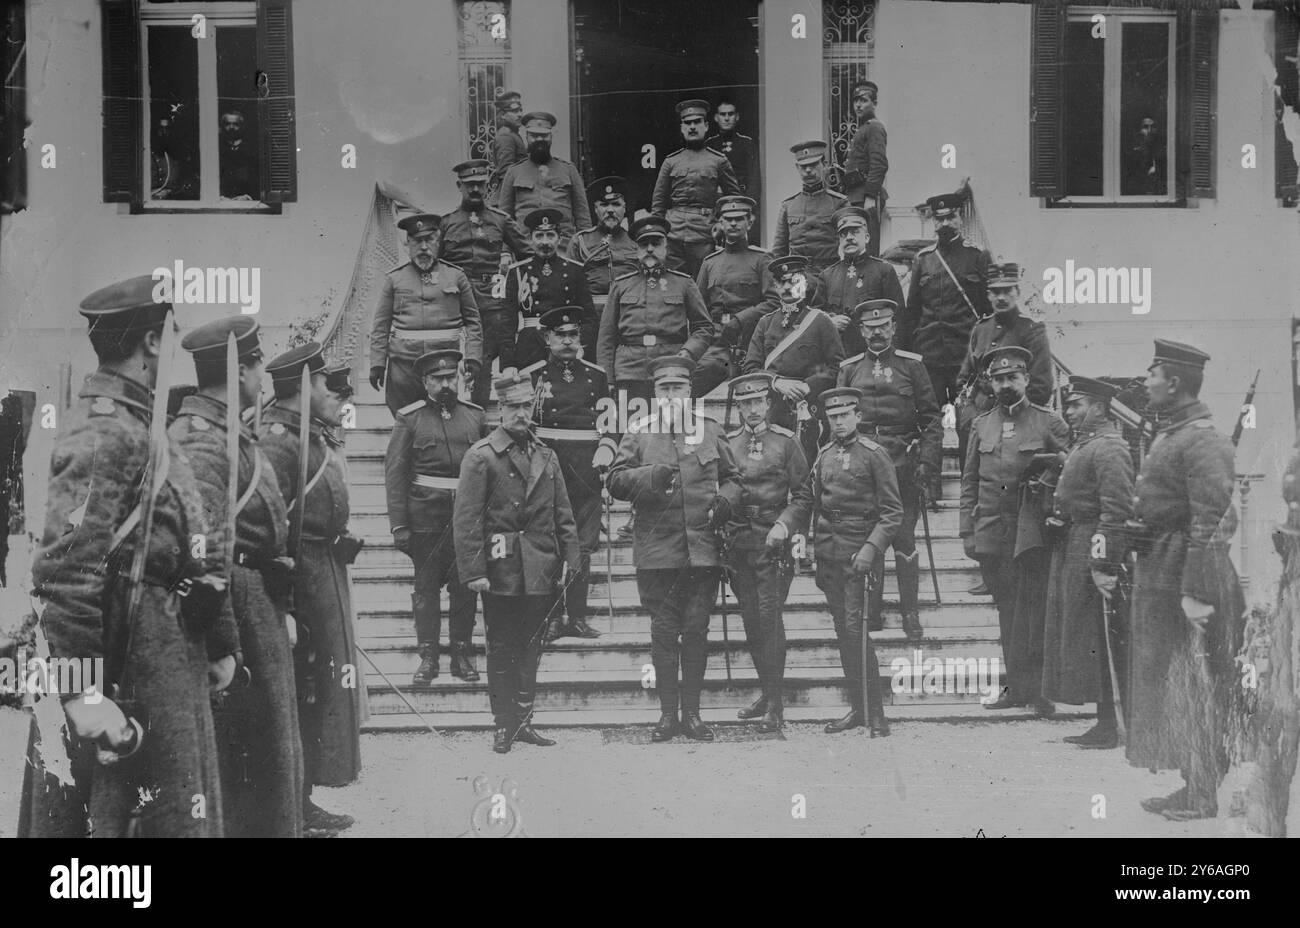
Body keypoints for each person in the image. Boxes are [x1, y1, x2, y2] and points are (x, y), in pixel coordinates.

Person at [20, 275, 233, 838]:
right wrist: (84, 697)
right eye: (173, 330)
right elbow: (64, 577)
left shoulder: (138, 425)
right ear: (154, 343)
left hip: (157, 660)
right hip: (125, 669)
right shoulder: (106, 430)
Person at [175, 317, 303, 839]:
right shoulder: (203, 440)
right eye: (255, 364)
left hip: (258, 596)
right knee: (250, 753)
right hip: (237, 606)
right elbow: (203, 554)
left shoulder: (230, 429)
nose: (261, 377)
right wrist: (225, 643)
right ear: (242, 369)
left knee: (272, 747)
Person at [1127, 340, 1244, 821]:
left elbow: (1213, 522)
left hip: (1188, 576)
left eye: (1152, 371)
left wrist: (1196, 593)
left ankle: (1202, 794)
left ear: (1174, 382)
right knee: (1174, 682)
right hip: (1163, 567)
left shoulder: (1202, 439)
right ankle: (1190, 784)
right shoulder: (1173, 432)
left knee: (1195, 684)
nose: (1146, 379)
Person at [607, 356, 742, 742]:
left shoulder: (711, 430)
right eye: (664, 389)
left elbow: (734, 478)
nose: (671, 395)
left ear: (689, 391)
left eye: (678, 388)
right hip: (657, 552)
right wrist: (648, 476)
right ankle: (668, 716)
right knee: (663, 632)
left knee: (697, 630)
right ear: (654, 393)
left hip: (702, 550)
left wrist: (727, 500)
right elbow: (615, 480)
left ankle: (694, 715)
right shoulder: (640, 432)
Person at [260, 349, 366, 835]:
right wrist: (280, 602)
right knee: (302, 690)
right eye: (327, 387)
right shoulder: (278, 441)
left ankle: (302, 799)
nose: (335, 396)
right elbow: (266, 525)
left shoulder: (308, 435)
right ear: (303, 387)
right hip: (297, 580)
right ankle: (289, 807)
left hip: (322, 568)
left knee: (320, 687)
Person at [454, 370, 581, 754]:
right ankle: (503, 724)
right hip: (501, 569)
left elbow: (564, 514)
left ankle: (524, 721)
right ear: (500, 409)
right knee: (501, 646)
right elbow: (466, 518)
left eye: (526, 405)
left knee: (531, 647)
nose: (520, 413)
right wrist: (474, 571)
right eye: (512, 406)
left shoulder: (547, 455)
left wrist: (571, 559)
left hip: (540, 565)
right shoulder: (481, 457)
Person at [777, 387, 902, 735]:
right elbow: (811, 501)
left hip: (860, 555)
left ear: (858, 417)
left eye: (845, 415)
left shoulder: (875, 455)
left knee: (855, 632)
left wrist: (871, 549)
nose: (839, 422)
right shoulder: (824, 454)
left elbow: (892, 513)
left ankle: (876, 713)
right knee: (842, 632)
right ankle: (858, 707)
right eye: (833, 417)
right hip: (830, 555)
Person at [959, 346, 1069, 716]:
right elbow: (969, 481)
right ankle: (1016, 688)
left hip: (1033, 537)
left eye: (1012, 378)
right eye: (998, 378)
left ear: (1026, 379)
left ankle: (1039, 691)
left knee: (1034, 613)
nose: (1005, 384)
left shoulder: (1047, 422)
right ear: (990, 382)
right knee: (1007, 613)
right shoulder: (981, 424)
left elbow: (1068, 471)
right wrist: (967, 533)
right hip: (992, 534)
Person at [837, 300, 942, 641]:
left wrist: (927, 463)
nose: (877, 332)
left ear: (894, 328)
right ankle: (874, 609)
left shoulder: (912, 367)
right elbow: (839, 419)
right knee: (870, 536)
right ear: (862, 330)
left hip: (902, 465)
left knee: (904, 538)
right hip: (864, 469)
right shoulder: (850, 368)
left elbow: (930, 420)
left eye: (883, 326)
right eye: (870, 327)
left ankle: (910, 612)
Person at [384, 349, 488, 684]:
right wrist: (399, 525)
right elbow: (395, 474)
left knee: (465, 589)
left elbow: (487, 472)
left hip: (466, 520)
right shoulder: (409, 418)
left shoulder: (475, 416)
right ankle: (428, 658)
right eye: (438, 379)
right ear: (425, 381)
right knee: (425, 590)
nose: (446, 384)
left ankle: (462, 655)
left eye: (450, 377)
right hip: (425, 518)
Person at [1041, 376, 1134, 750]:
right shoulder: (1088, 444)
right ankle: (1104, 721)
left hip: (1090, 549)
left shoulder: (1110, 447)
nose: (1069, 410)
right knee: (1085, 637)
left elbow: (1115, 511)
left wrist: (1102, 563)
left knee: (1099, 637)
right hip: (1074, 542)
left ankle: (1113, 725)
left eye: (1076, 404)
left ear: (1098, 406)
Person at [521, 307, 617, 641]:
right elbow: (525, 428)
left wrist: (607, 447)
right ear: (547, 338)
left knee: (583, 549)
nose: (567, 341)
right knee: (549, 545)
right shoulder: (533, 376)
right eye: (560, 335)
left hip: (586, 471)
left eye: (573, 335)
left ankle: (576, 617)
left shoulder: (597, 376)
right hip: (547, 470)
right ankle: (549, 619)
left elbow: (610, 424)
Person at [723, 372, 808, 732]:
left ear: (768, 404)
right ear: (739, 407)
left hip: (774, 542)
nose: (752, 409)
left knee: (769, 620)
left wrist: (784, 526)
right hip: (740, 542)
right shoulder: (728, 444)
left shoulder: (787, 443)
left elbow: (804, 495)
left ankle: (776, 704)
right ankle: (765, 691)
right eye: (745, 403)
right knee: (751, 621)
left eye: (758, 401)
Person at [899, 192, 992, 488]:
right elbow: (912, 311)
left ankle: (969, 487)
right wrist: (910, 354)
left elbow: (988, 311)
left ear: (960, 218)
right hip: (931, 356)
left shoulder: (977, 257)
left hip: (966, 357)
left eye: (950, 216)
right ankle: (930, 486)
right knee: (929, 424)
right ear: (932, 221)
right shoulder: (924, 260)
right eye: (939, 218)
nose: (944, 223)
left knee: (968, 422)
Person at [369, 212, 484, 415]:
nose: (423, 247)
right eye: (417, 241)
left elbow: (473, 322)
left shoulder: (456, 276)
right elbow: (380, 326)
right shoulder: (394, 279)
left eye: (429, 240)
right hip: (404, 367)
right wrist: (377, 363)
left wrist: (473, 357)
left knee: (444, 419)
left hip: (444, 366)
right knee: (406, 419)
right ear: (408, 244)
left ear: (438, 242)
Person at [439, 159, 531, 407]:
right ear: (459, 186)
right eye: (469, 185)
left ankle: (476, 415)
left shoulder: (500, 220)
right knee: (450, 360)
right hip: (455, 300)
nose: (475, 190)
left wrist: (518, 287)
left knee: (483, 359)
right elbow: (434, 265)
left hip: (490, 299)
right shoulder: (446, 224)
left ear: (488, 185)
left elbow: (527, 255)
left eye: (480, 184)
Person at [597, 214, 714, 406]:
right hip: (629, 372)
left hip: (671, 371)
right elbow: (606, 337)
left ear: (666, 247)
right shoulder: (621, 286)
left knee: (671, 430)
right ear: (636, 249)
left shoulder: (684, 283)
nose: (650, 249)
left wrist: (687, 353)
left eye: (656, 243)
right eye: (644, 244)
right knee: (631, 431)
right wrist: (607, 379)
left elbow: (704, 327)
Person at [743, 254, 845, 466]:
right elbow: (750, 368)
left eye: (793, 280)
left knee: (806, 468)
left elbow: (838, 368)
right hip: (772, 410)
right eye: (782, 282)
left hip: (809, 409)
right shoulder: (765, 323)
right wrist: (778, 382)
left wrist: (807, 386)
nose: (788, 286)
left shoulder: (820, 321)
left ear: (804, 283)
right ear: (775, 286)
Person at [693, 195, 779, 396]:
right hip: (717, 342)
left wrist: (740, 320)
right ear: (720, 222)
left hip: (752, 340)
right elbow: (697, 307)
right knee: (694, 379)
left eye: (739, 218)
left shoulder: (762, 259)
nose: (733, 223)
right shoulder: (710, 263)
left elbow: (774, 302)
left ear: (750, 222)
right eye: (728, 219)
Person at [651, 99, 741, 278]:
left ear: (706, 126)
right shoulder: (671, 161)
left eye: (697, 122)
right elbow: (658, 204)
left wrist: (721, 224)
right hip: (673, 236)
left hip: (704, 235)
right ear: (682, 127)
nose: (692, 127)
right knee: (673, 287)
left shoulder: (718, 161)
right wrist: (658, 235)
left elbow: (734, 200)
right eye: (687, 123)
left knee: (703, 289)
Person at [956, 261, 1054, 415]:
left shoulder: (1032, 330)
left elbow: (1041, 388)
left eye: (1008, 290)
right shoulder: (981, 329)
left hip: (1018, 417)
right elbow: (965, 380)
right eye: (996, 292)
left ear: (1018, 292)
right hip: (979, 416)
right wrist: (969, 411)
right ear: (989, 295)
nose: (1001, 297)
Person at [505, 207, 596, 371]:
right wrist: (508, 364)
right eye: (539, 236)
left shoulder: (575, 270)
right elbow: (507, 323)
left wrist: (580, 345)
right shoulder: (517, 272)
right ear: (530, 239)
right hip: (530, 347)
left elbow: (589, 316)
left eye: (550, 235)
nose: (545, 242)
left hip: (565, 342)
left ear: (560, 238)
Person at [819, 206, 905, 358]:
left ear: (866, 237)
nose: (849, 238)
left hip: (874, 356)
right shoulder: (827, 276)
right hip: (837, 357)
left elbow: (898, 318)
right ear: (839, 241)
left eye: (855, 232)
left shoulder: (883, 271)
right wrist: (830, 322)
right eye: (844, 234)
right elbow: (814, 317)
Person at [498, 111, 588, 248]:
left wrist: (584, 248)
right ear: (526, 136)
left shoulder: (569, 170)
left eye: (544, 135)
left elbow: (583, 216)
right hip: (525, 249)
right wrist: (505, 252)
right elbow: (504, 218)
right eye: (534, 135)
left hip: (564, 248)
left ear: (551, 137)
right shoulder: (514, 172)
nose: (539, 139)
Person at [772, 140, 847, 273]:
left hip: (830, 273)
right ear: (797, 168)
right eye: (803, 166)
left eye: (813, 165)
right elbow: (779, 250)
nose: (808, 170)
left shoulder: (839, 203)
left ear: (824, 164)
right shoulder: (788, 205)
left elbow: (850, 242)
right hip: (796, 275)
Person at [568, 176, 640, 300]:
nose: (610, 210)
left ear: (624, 209)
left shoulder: (636, 241)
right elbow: (570, 282)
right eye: (604, 205)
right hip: (593, 309)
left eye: (616, 205)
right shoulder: (580, 241)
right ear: (596, 209)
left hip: (628, 308)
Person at [705, 98, 761, 242]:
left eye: (730, 114)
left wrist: (750, 209)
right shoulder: (709, 145)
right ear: (716, 118)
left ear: (737, 117)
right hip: (716, 203)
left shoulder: (747, 144)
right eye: (723, 114)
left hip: (740, 200)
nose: (727, 118)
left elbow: (754, 179)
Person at [843, 81, 888, 256]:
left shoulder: (874, 127)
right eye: (856, 101)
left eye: (863, 100)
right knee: (856, 247)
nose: (858, 105)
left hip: (866, 197)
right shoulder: (863, 128)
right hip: (857, 196)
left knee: (867, 248)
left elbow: (879, 164)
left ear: (874, 103)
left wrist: (870, 196)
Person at [487, 89, 526, 205]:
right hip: (509, 198)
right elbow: (506, 173)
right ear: (503, 115)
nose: (520, 114)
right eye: (514, 111)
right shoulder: (505, 136)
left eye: (520, 110)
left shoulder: (512, 134)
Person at [218, 106, 258, 200]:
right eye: (227, 124)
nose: (231, 127)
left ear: (242, 126)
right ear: (222, 126)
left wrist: (248, 196)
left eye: (236, 124)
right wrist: (220, 196)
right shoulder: (216, 148)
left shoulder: (253, 149)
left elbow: (257, 178)